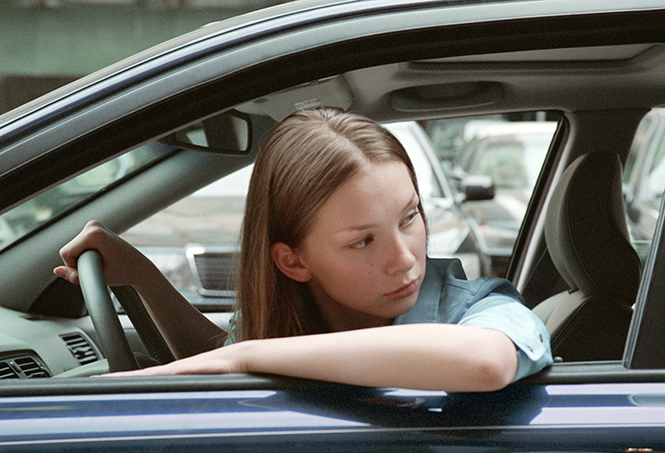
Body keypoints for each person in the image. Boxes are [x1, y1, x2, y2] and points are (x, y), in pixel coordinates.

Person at [55, 107, 552, 391]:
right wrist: (141, 276)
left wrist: (245, 359)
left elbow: (486, 361)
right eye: (362, 240)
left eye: (410, 217)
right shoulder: (294, 318)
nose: (405, 257)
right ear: (292, 261)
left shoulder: (480, 306)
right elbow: (221, 353)